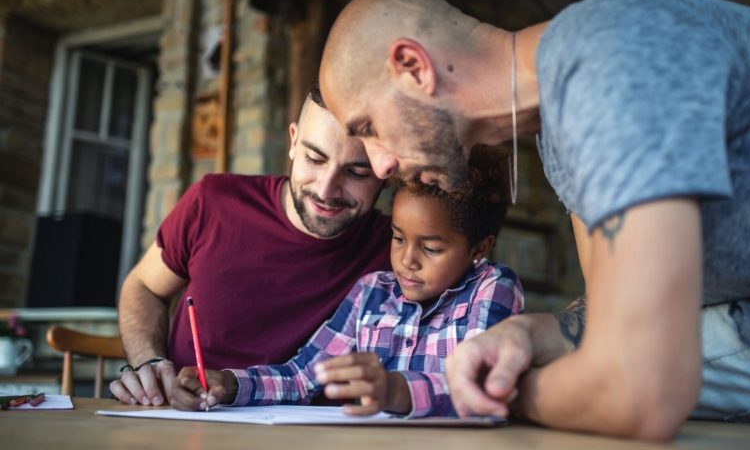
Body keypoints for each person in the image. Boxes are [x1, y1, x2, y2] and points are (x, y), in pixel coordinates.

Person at [318, 0, 750, 439]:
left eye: (370, 128)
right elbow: (603, 320)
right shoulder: (557, 129)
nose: (380, 165)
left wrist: (493, 394)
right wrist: (530, 333)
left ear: (413, 67)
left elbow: (638, 393)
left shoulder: (611, 61)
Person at [169, 156, 524, 417]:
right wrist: (229, 384)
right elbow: (304, 376)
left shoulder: (492, 287)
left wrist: (394, 390)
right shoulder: (372, 292)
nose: (407, 260)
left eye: (431, 248)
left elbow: (478, 391)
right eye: (398, 238)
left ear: (479, 247)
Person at [109, 85, 392, 407]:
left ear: (386, 169)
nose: (327, 190)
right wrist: (149, 362)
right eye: (314, 158)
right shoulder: (213, 201)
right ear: (293, 142)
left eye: (357, 172)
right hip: (189, 421)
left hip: (314, 445)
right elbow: (145, 285)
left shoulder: (400, 250)